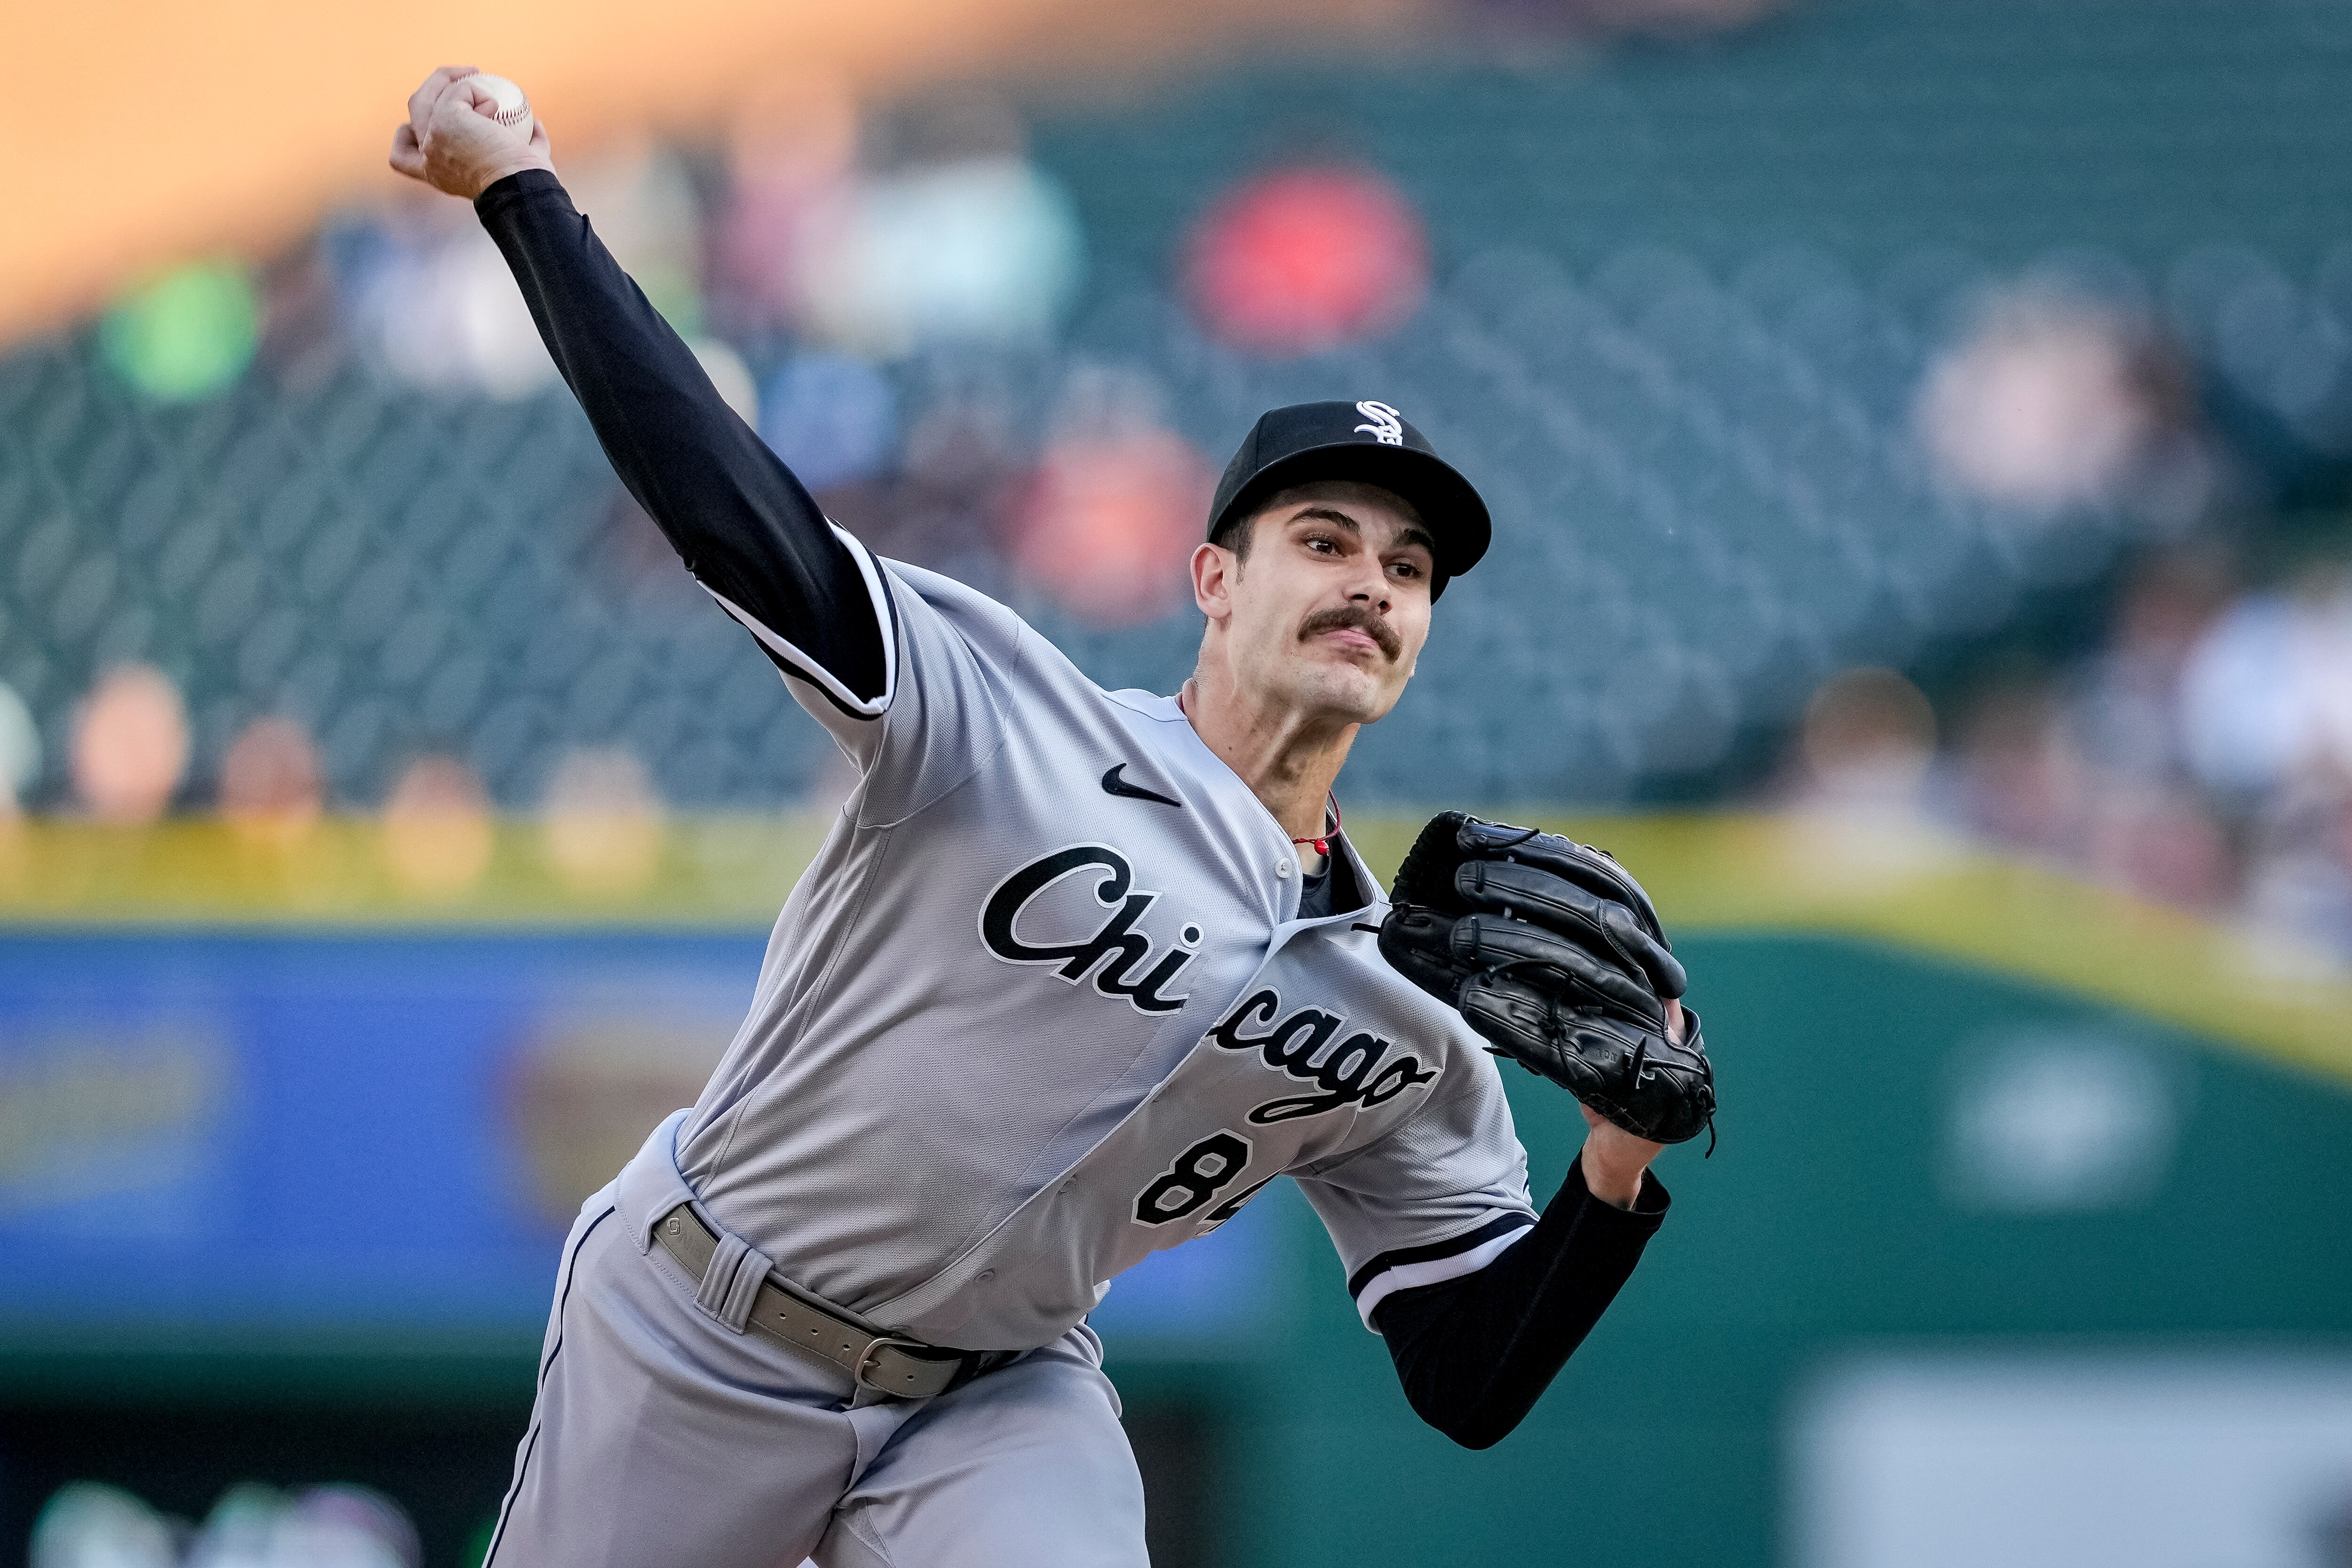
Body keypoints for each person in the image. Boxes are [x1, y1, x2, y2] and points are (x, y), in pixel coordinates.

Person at [391, 66, 1692, 1568]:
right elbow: (732, 513)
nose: (1370, 585)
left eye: (1408, 571)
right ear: (1213, 582)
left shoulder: (1404, 1018)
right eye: (1323, 540)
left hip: (994, 1398)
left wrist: (1611, 1171)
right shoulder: (1006, 720)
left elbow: (1467, 1378)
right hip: (702, 1321)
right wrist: (524, 199)